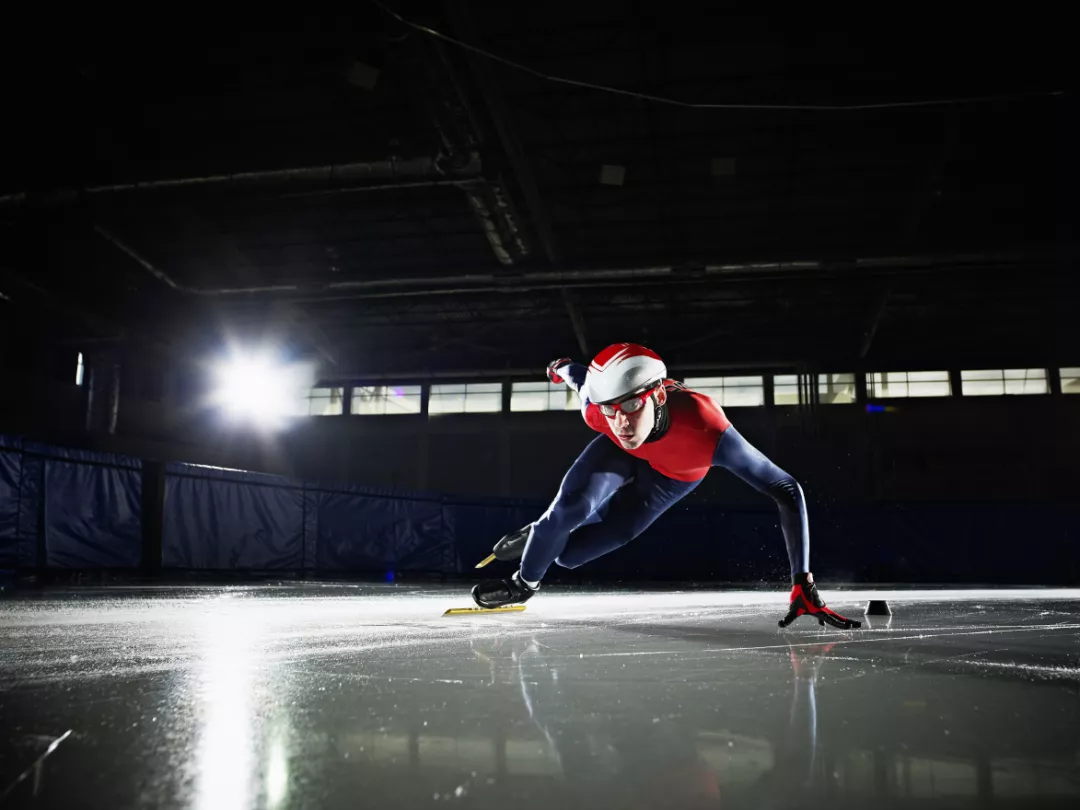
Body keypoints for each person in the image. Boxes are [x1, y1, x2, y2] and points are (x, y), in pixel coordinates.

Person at [472, 342, 861, 630]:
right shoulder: (599, 410)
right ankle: (523, 583)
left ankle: (537, 538)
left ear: (658, 394)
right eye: (611, 409)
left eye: (630, 406)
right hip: (619, 456)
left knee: (569, 556)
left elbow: (787, 489)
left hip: (671, 479)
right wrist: (559, 368)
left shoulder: (707, 428)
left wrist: (802, 581)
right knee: (569, 510)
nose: (620, 421)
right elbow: (578, 377)